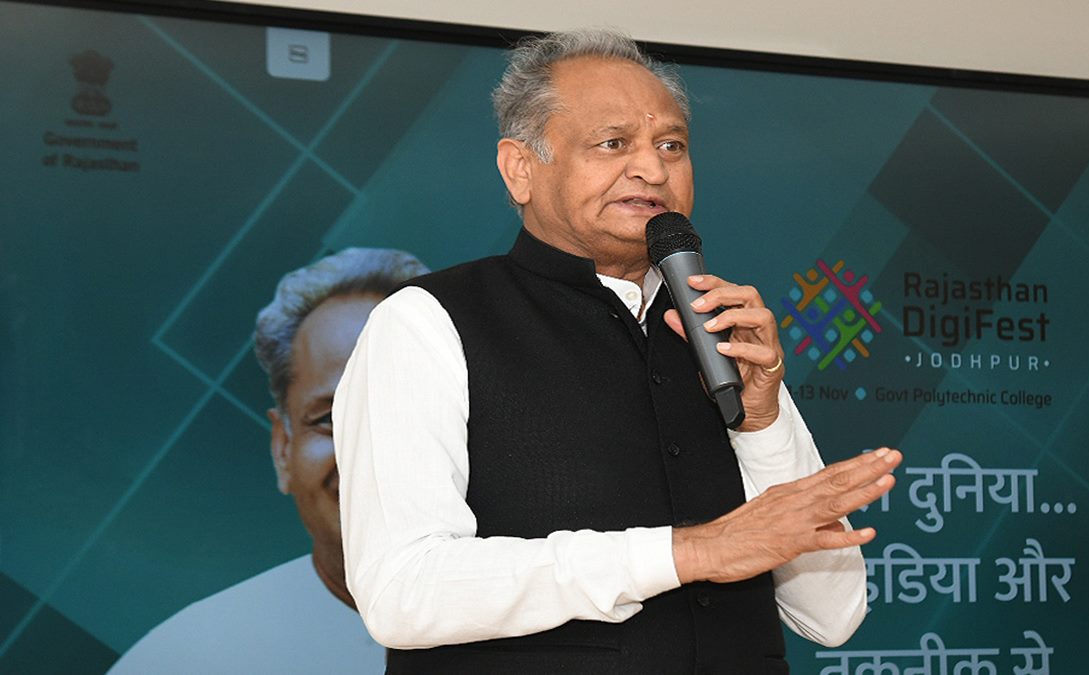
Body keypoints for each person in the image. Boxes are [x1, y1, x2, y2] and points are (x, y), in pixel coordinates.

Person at [334, 29, 901, 673]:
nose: (653, 170)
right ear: (520, 169)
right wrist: (690, 552)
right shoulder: (428, 322)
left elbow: (833, 615)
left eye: (671, 145)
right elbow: (402, 590)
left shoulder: (718, 329)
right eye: (613, 143)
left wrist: (763, 424)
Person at [109, 248, 429, 675]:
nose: (368, 449)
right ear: (282, 449)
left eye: (406, 409)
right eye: (329, 419)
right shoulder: (180, 661)